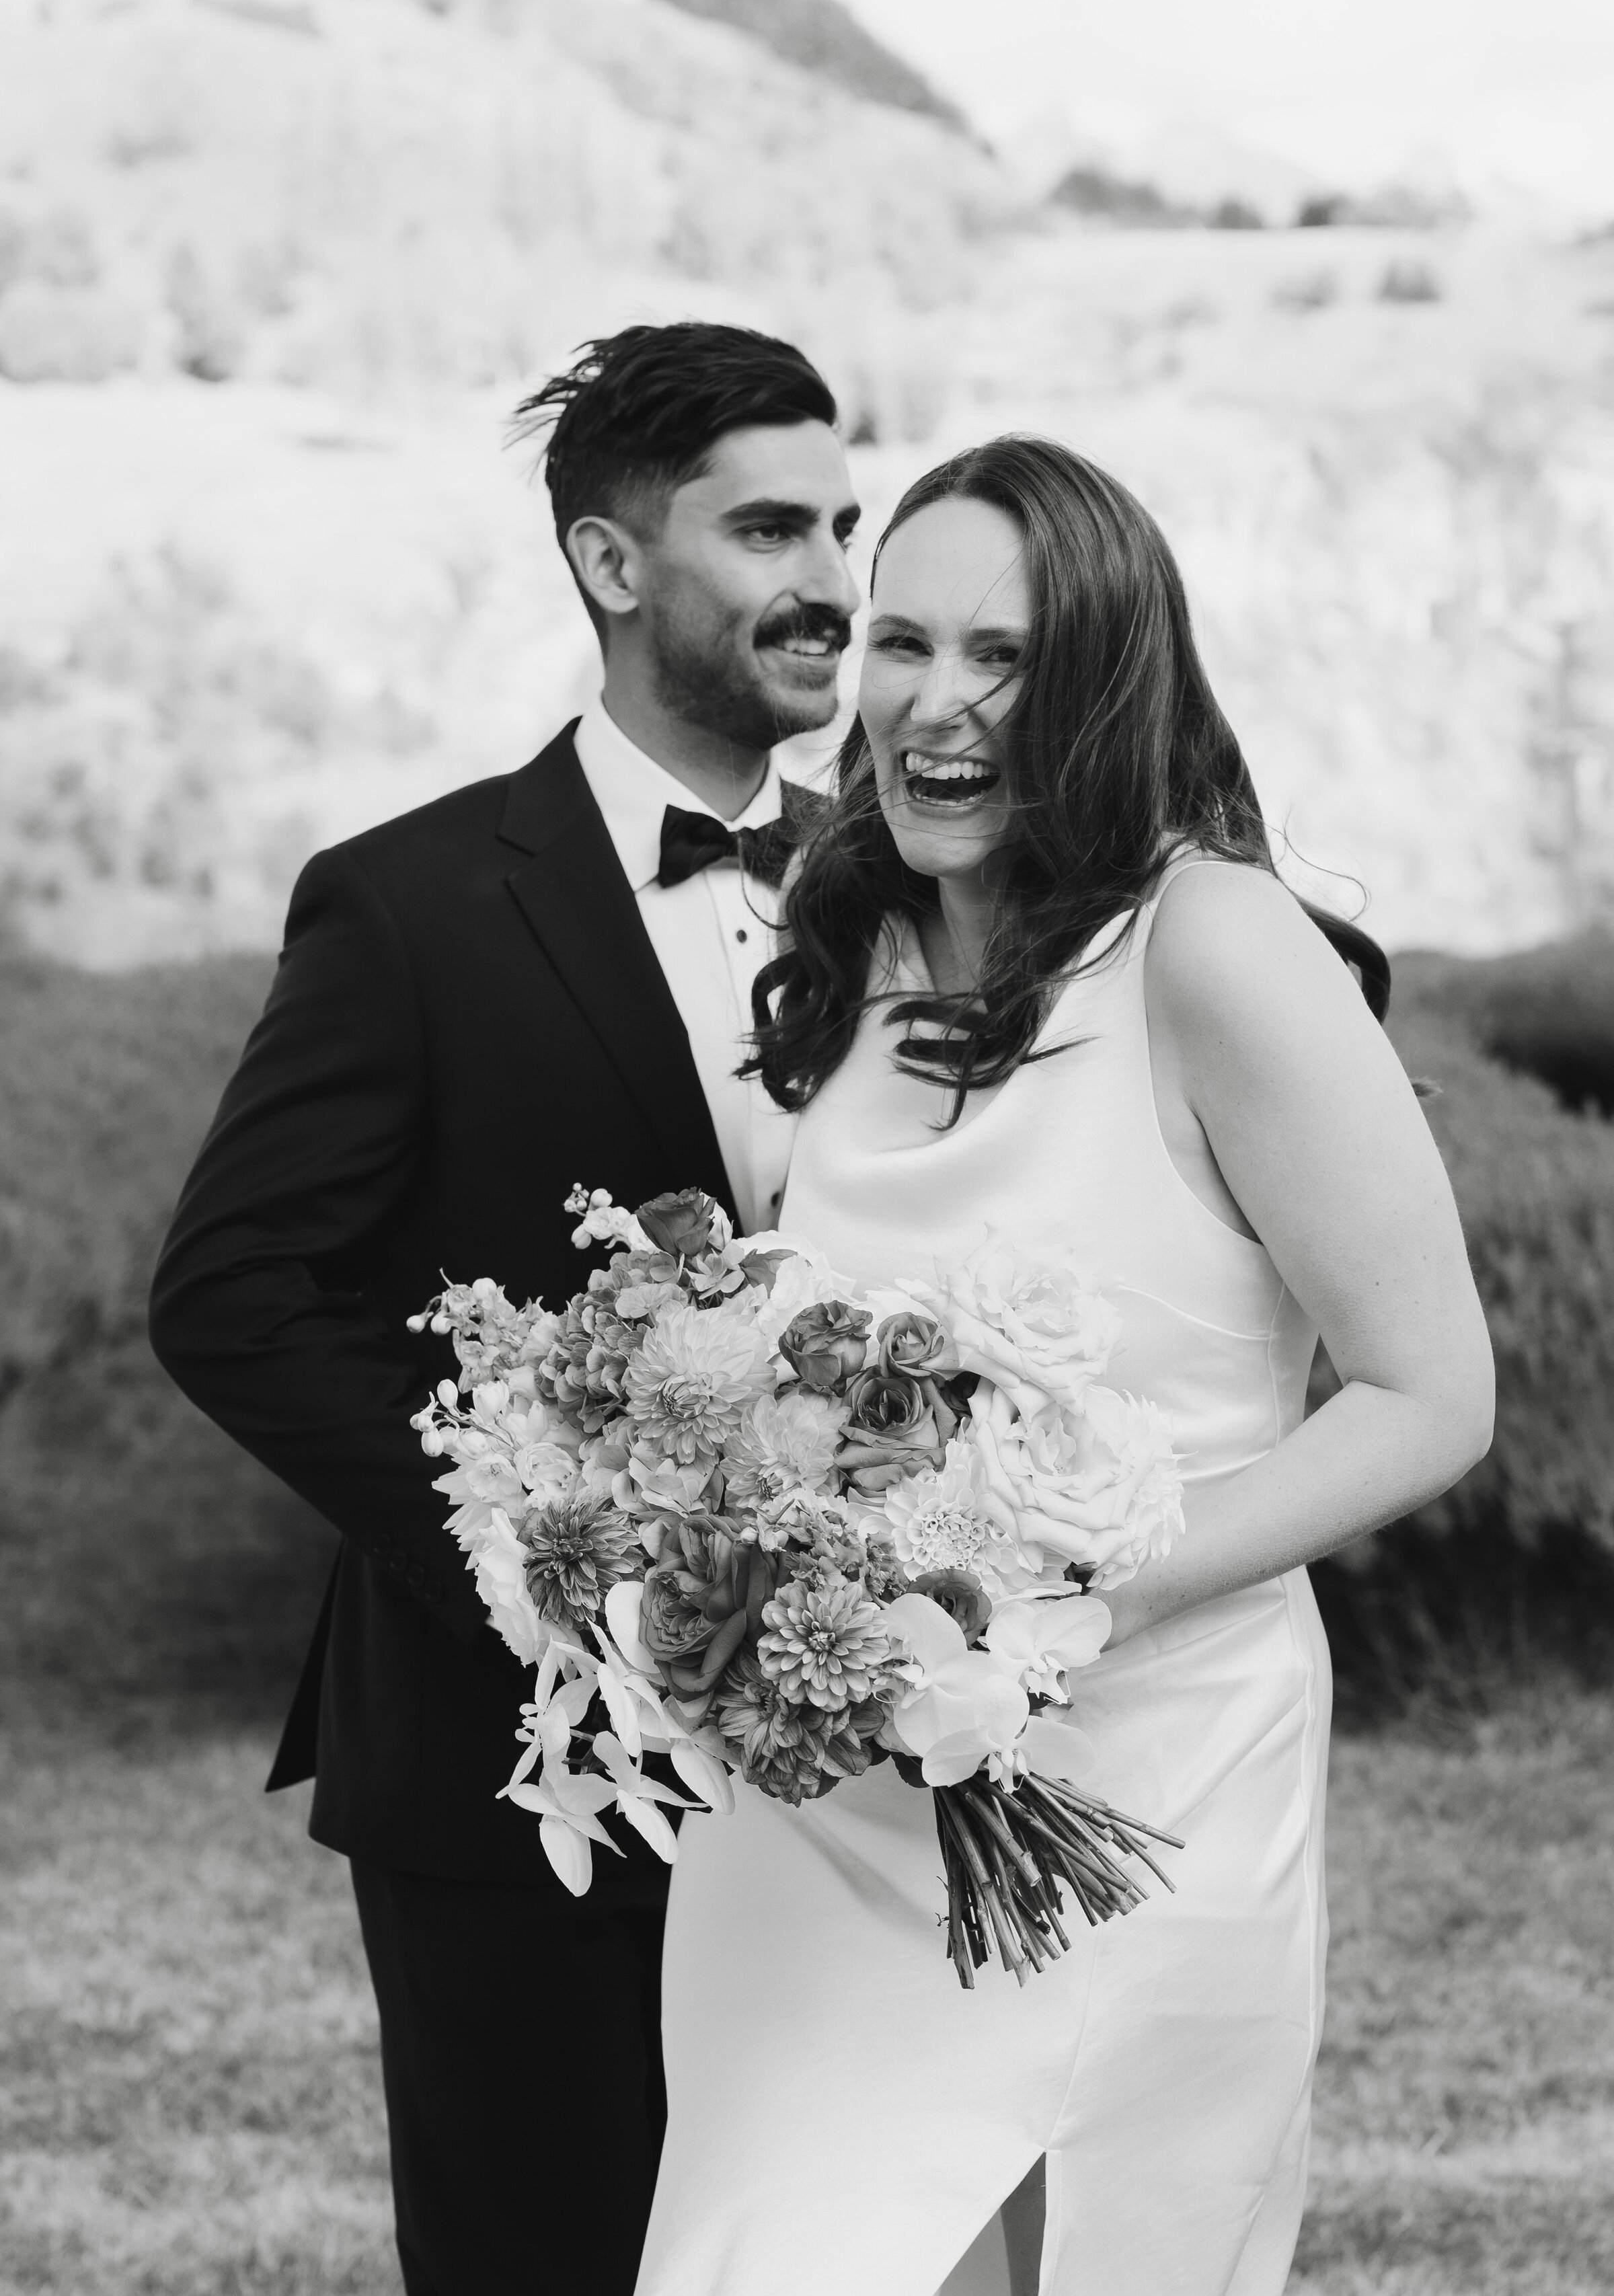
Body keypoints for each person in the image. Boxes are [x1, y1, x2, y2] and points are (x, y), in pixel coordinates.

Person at [633, 436, 1494, 2296]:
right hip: (823, 1818)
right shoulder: (847, 929)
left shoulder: (1218, 946)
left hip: (1143, 1795)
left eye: (1004, 659)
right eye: (901, 644)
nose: (935, 707)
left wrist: (1054, 1600)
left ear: (1109, 683)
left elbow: (1437, 1398)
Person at [147, 321, 862, 2296]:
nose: (830, 581)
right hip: (511, 1746)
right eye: (771, 527)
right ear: (615, 567)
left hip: (850, 1743)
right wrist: (543, 1551)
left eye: (845, 525)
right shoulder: (408, 902)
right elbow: (232, 1295)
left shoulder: (904, 896)